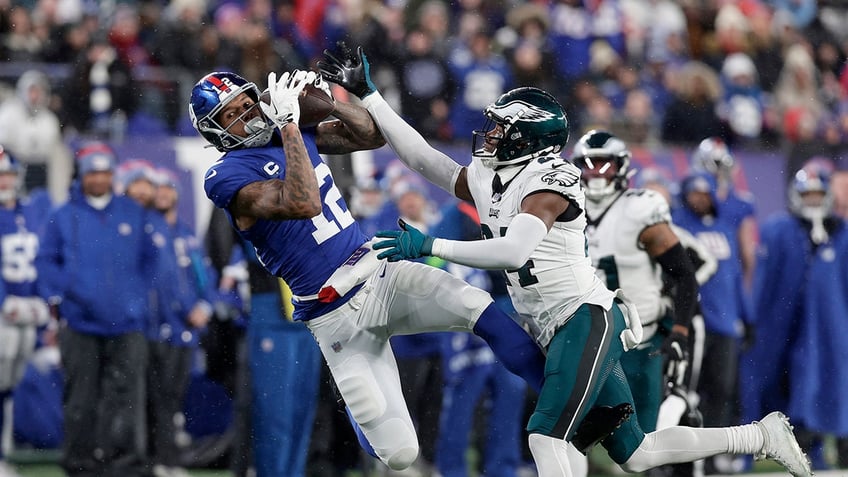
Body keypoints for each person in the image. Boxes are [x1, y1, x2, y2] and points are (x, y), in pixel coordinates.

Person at [320, 44, 813, 477]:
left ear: (528, 139)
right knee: (636, 452)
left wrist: (431, 247)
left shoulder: (551, 180)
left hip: (583, 318)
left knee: (545, 436)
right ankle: (762, 437)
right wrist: (370, 96)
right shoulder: (497, 174)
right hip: (550, 324)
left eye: (500, 128)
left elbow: (514, 250)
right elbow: (424, 159)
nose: (489, 134)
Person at [188, 68, 548, 473]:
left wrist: (329, 103)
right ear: (214, 131)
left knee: (475, 304)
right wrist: (290, 124)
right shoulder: (225, 175)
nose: (248, 115)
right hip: (334, 314)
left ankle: (561, 407)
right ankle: (360, 411)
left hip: (378, 272)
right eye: (231, 114)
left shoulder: (289, 131)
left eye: (248, 103)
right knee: (399, 454)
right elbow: (303, 202)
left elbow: (372, 135)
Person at [35, 142, 165, 477]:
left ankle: (123, 464)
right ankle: (80, 464)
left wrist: (136, 294)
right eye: (93, 172)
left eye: (105, 171)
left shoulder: (132, 212)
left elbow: (151, 258)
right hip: (79, 323)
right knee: (80, 398)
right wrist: (64, 293)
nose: (99, 178)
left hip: (126, 322)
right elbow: (46, 261)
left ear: (113, 174)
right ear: (82, 175)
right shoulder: (63, 215)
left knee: (126, 398)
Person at [571, 129, 699, 439]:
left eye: (604, 164)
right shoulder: (564, 208)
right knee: (575, 435)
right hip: (586, 341)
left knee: (645, 438)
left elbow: (684, 274)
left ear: (622, 167)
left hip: (640, 339)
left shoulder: (640, 208)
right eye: (588, 164)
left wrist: (680, 331)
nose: (595, 173)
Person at [740, 158, 848, 469]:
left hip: (823, 328)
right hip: (778, 323)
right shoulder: (778, 229)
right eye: (806, 195)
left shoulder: (840, 233)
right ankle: (751, 449)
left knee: (816, 385)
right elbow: (763, 281)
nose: (812, 202)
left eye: (817, 195)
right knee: (765, 383)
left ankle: (813, 447)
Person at [147, 167, 214, 477]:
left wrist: (205, 305)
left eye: (167, 188)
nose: (163, 194)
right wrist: (188, 308)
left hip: (185, 329)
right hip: (161, 327)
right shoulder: (149, 229)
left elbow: (203, 276)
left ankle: (168, 458)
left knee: (174, 396)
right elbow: (163, 282)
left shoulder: (185, 232)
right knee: (159, 397)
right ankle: (161, 460)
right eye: (157, 189)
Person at [0, 146, 52, 477]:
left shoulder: (29, 211)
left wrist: (42, 299)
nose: (5, 181)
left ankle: (3, 454)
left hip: (26, 312)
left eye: (8, 174)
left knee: (7, 388)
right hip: (4, 312)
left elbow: (43, 260)